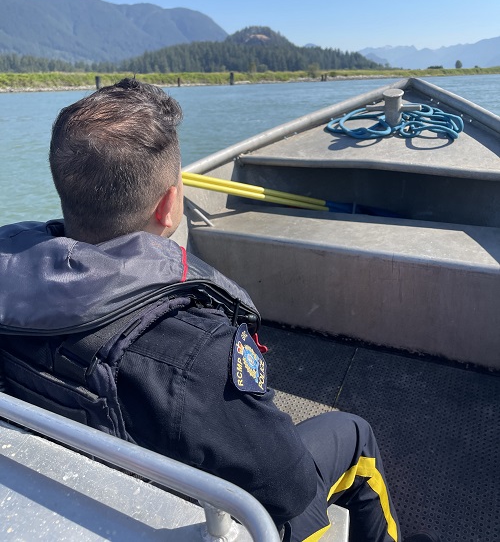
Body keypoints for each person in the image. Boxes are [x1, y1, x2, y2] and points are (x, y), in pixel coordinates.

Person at [0, 79, 439, 542]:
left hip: (76, 493)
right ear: (170, 205)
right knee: (353, 435)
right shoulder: (196, 355)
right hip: (202, 520)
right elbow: (289, 488)